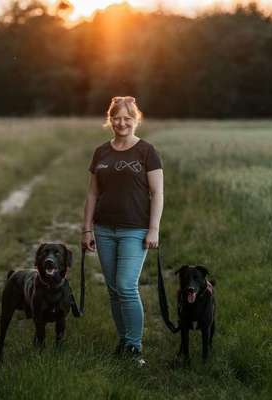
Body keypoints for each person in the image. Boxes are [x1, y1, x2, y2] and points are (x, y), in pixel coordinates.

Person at [81, 96, 164, 367]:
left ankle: (135, 348)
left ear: (136, 119)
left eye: (127, 118)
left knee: (127, 286)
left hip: (135, 230)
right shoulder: (101, 152)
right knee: (114, 289)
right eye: (117, 117)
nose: (122, 123)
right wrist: (87, 230)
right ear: (110, 119)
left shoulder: (147, 151)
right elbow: (92, 193)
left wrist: (154, 229)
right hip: (104, 229)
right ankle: (124, 340)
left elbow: (157, 193)